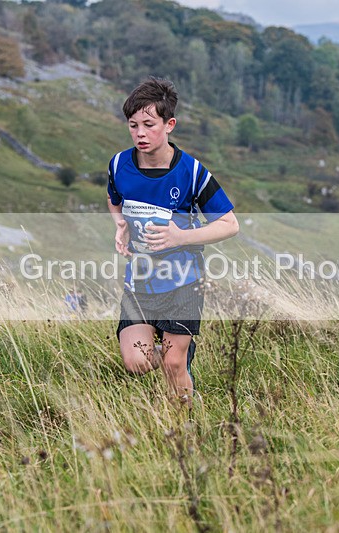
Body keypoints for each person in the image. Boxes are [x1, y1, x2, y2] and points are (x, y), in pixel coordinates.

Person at [106, 77, 239, 406]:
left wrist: (181, 236)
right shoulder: (118, 165)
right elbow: (114, 199)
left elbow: (229, 224)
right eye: (133, 125)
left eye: (149, 125)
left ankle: (186, 423)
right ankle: (169, 347)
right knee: (137, 363)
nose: (140, 133)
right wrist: (120, 224)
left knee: (174, 364)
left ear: (169, 125)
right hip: (139, 282)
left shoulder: (192, 172)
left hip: (184, 283)